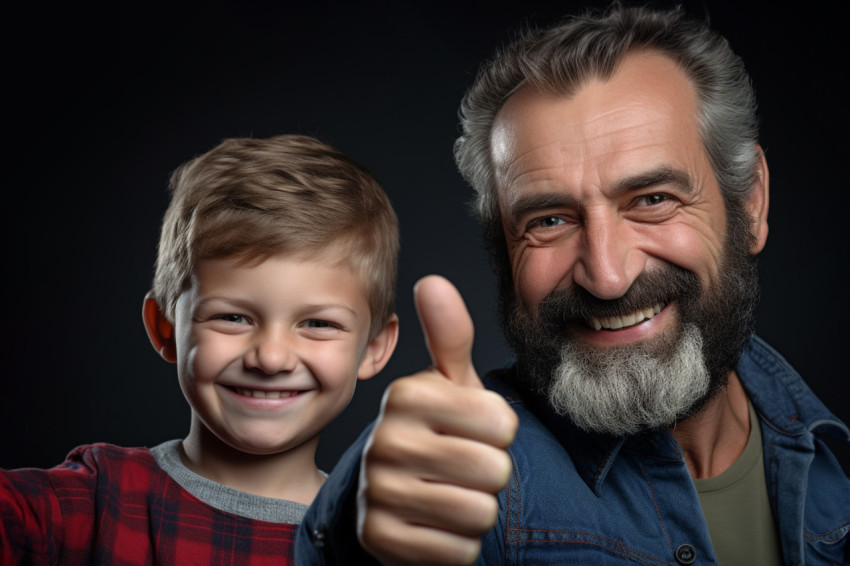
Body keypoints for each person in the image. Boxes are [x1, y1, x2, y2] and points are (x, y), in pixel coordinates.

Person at [296, 5, 849, 565]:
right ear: (502, 249)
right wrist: (359, 531)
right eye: (549, 221)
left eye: (652, 200)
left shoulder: (835, 465)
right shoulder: (471, 478)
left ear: (750, 205)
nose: (607, 277)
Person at [0, 134, 400, 565]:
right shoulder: (88, 504)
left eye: (318, 324)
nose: (271, 358)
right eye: (233, 317)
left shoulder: (381, 547)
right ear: (165, 326)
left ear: (374, 347)